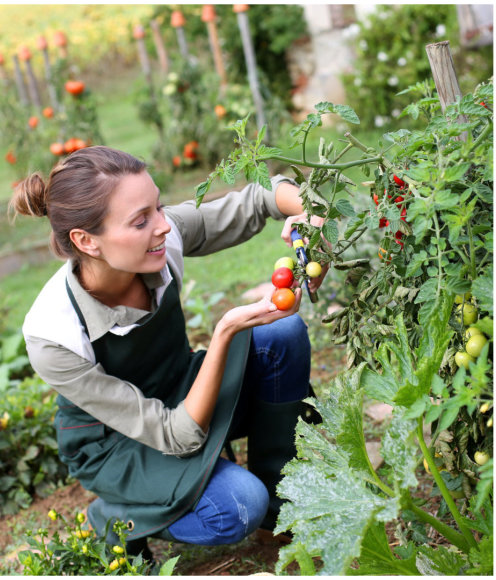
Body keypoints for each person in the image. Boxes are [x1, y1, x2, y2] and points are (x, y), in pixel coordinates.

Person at [10, 146, 326, 557]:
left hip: (182, 389)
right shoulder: (53, 335)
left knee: (280, 332)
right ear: (86, 240)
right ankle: (114, 517)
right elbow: (176, 435)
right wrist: (226, 330)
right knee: (236, 507)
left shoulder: (158, 241)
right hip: (119, 443)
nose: (163, 226)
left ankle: (281, 514)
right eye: (141, 220)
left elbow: (259, 200)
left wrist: (308, 214)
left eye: (158, 207)